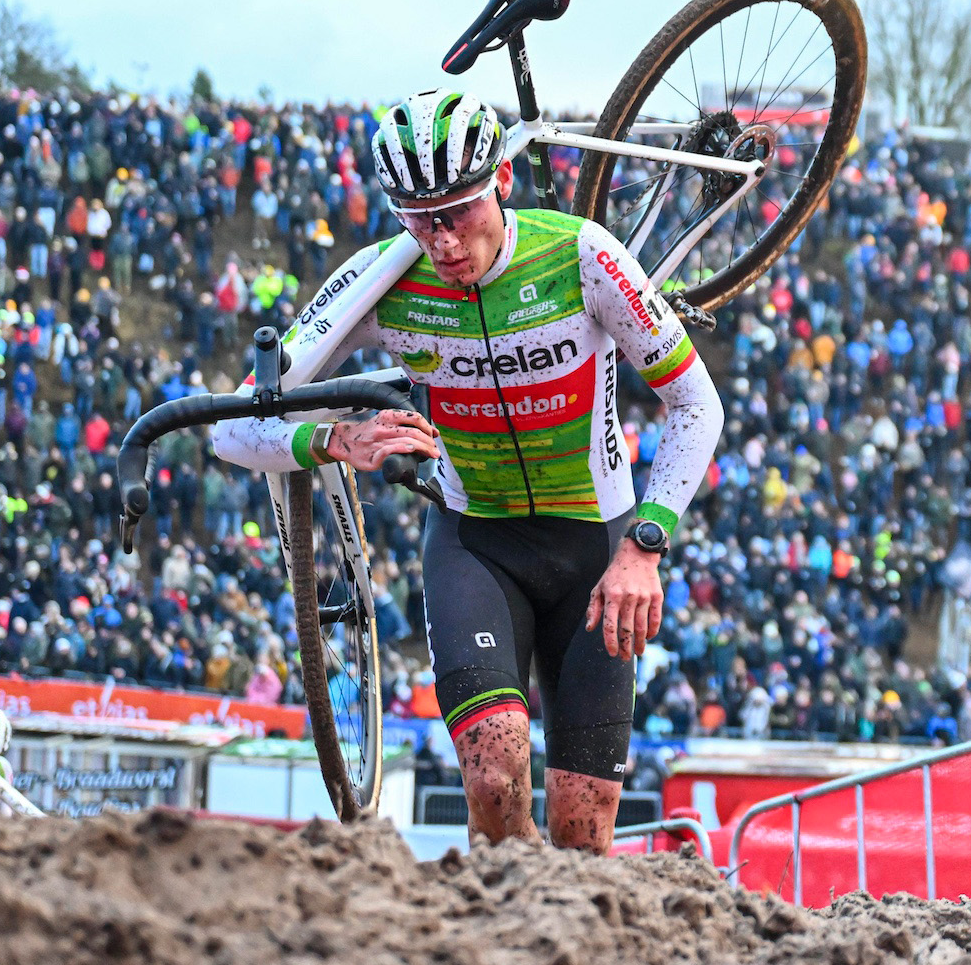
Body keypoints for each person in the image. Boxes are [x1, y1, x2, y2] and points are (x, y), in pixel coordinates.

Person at [213, 89, 722, 854]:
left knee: (584, 833)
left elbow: (695, 405)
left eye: (459, 212)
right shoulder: (383, 278)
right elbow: (230, 429)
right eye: (420, 219)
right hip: (475, 543)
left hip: (597, 544)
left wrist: (645, 545)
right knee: (491, 781)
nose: (444, 240)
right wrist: (330, 441)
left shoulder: (583, 254)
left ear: (503, 186)